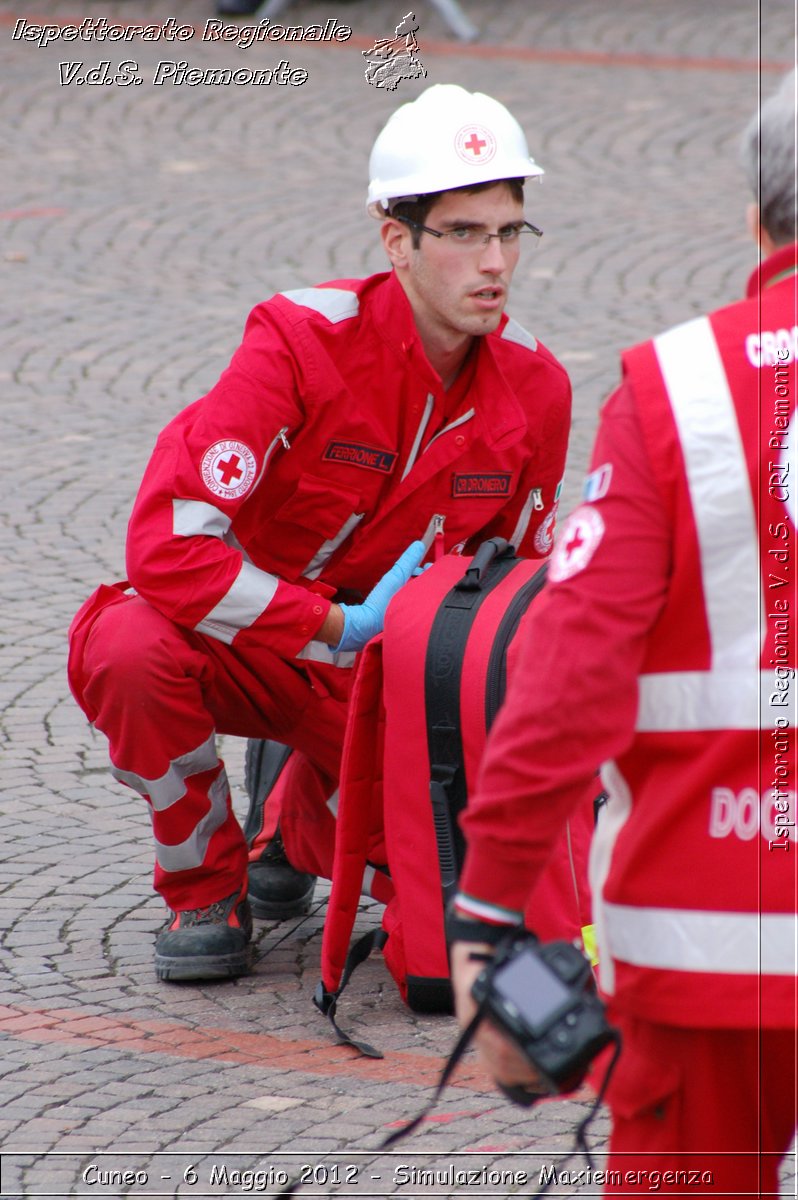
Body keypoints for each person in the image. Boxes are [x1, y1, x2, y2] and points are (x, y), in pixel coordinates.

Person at [67, 83, 572, 984]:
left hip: (383, 684)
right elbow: (169, 544)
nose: (492, 261)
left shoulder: (537, 390)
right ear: (398, 242)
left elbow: (509, 604)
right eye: (461, 233)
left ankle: (291, 831)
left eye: (507, 232)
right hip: (256, 641)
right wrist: (329, 627)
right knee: (127, 645)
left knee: (431, 918)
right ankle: (205, 891)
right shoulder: (299, 340)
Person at [449, 70, 798, 1196]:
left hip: (716, 942)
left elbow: (570, 673)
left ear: (756, 217)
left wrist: (489, 910)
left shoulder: (680, 390)